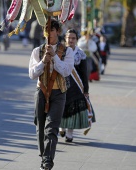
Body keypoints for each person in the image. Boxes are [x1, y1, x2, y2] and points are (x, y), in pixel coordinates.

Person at [28, 18, 74, 170]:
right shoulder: (37, 51)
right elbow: (32, 74)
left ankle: (48, 161)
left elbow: (66, 71)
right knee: (40, 126)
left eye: (51, 30)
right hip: (41, 92)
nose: (48, 33)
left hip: (58, 93)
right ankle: (44, 156)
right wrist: (43, 61)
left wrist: (54, 56)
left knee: (51, 128)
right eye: (46, 30)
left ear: (58, 32)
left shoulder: (67, 51)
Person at [59, 29, 96, 142]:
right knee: (60, 107)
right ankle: (61, 127)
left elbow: (84, 74)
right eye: (69, 37)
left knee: (73, 110)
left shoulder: (81, 54)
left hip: (76, 87)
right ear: (65, 38)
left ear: (76, 39)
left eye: (73, 38)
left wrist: (86, 89)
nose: (71, 40)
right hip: (62, 85)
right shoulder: (60, 52)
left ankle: (70, 133)